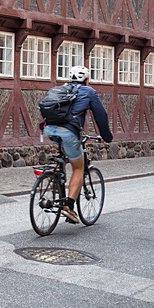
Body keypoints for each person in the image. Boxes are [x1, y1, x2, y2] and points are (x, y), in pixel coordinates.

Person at [41, 65, 113, 224]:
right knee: (78, 167)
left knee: (66, 154)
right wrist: (107, 137)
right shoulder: (89, 92)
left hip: (49, 129)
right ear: (87, 79)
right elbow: (101, 115)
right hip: (69, 132)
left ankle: (56, 182)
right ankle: (68, 206)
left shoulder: (59, 89)